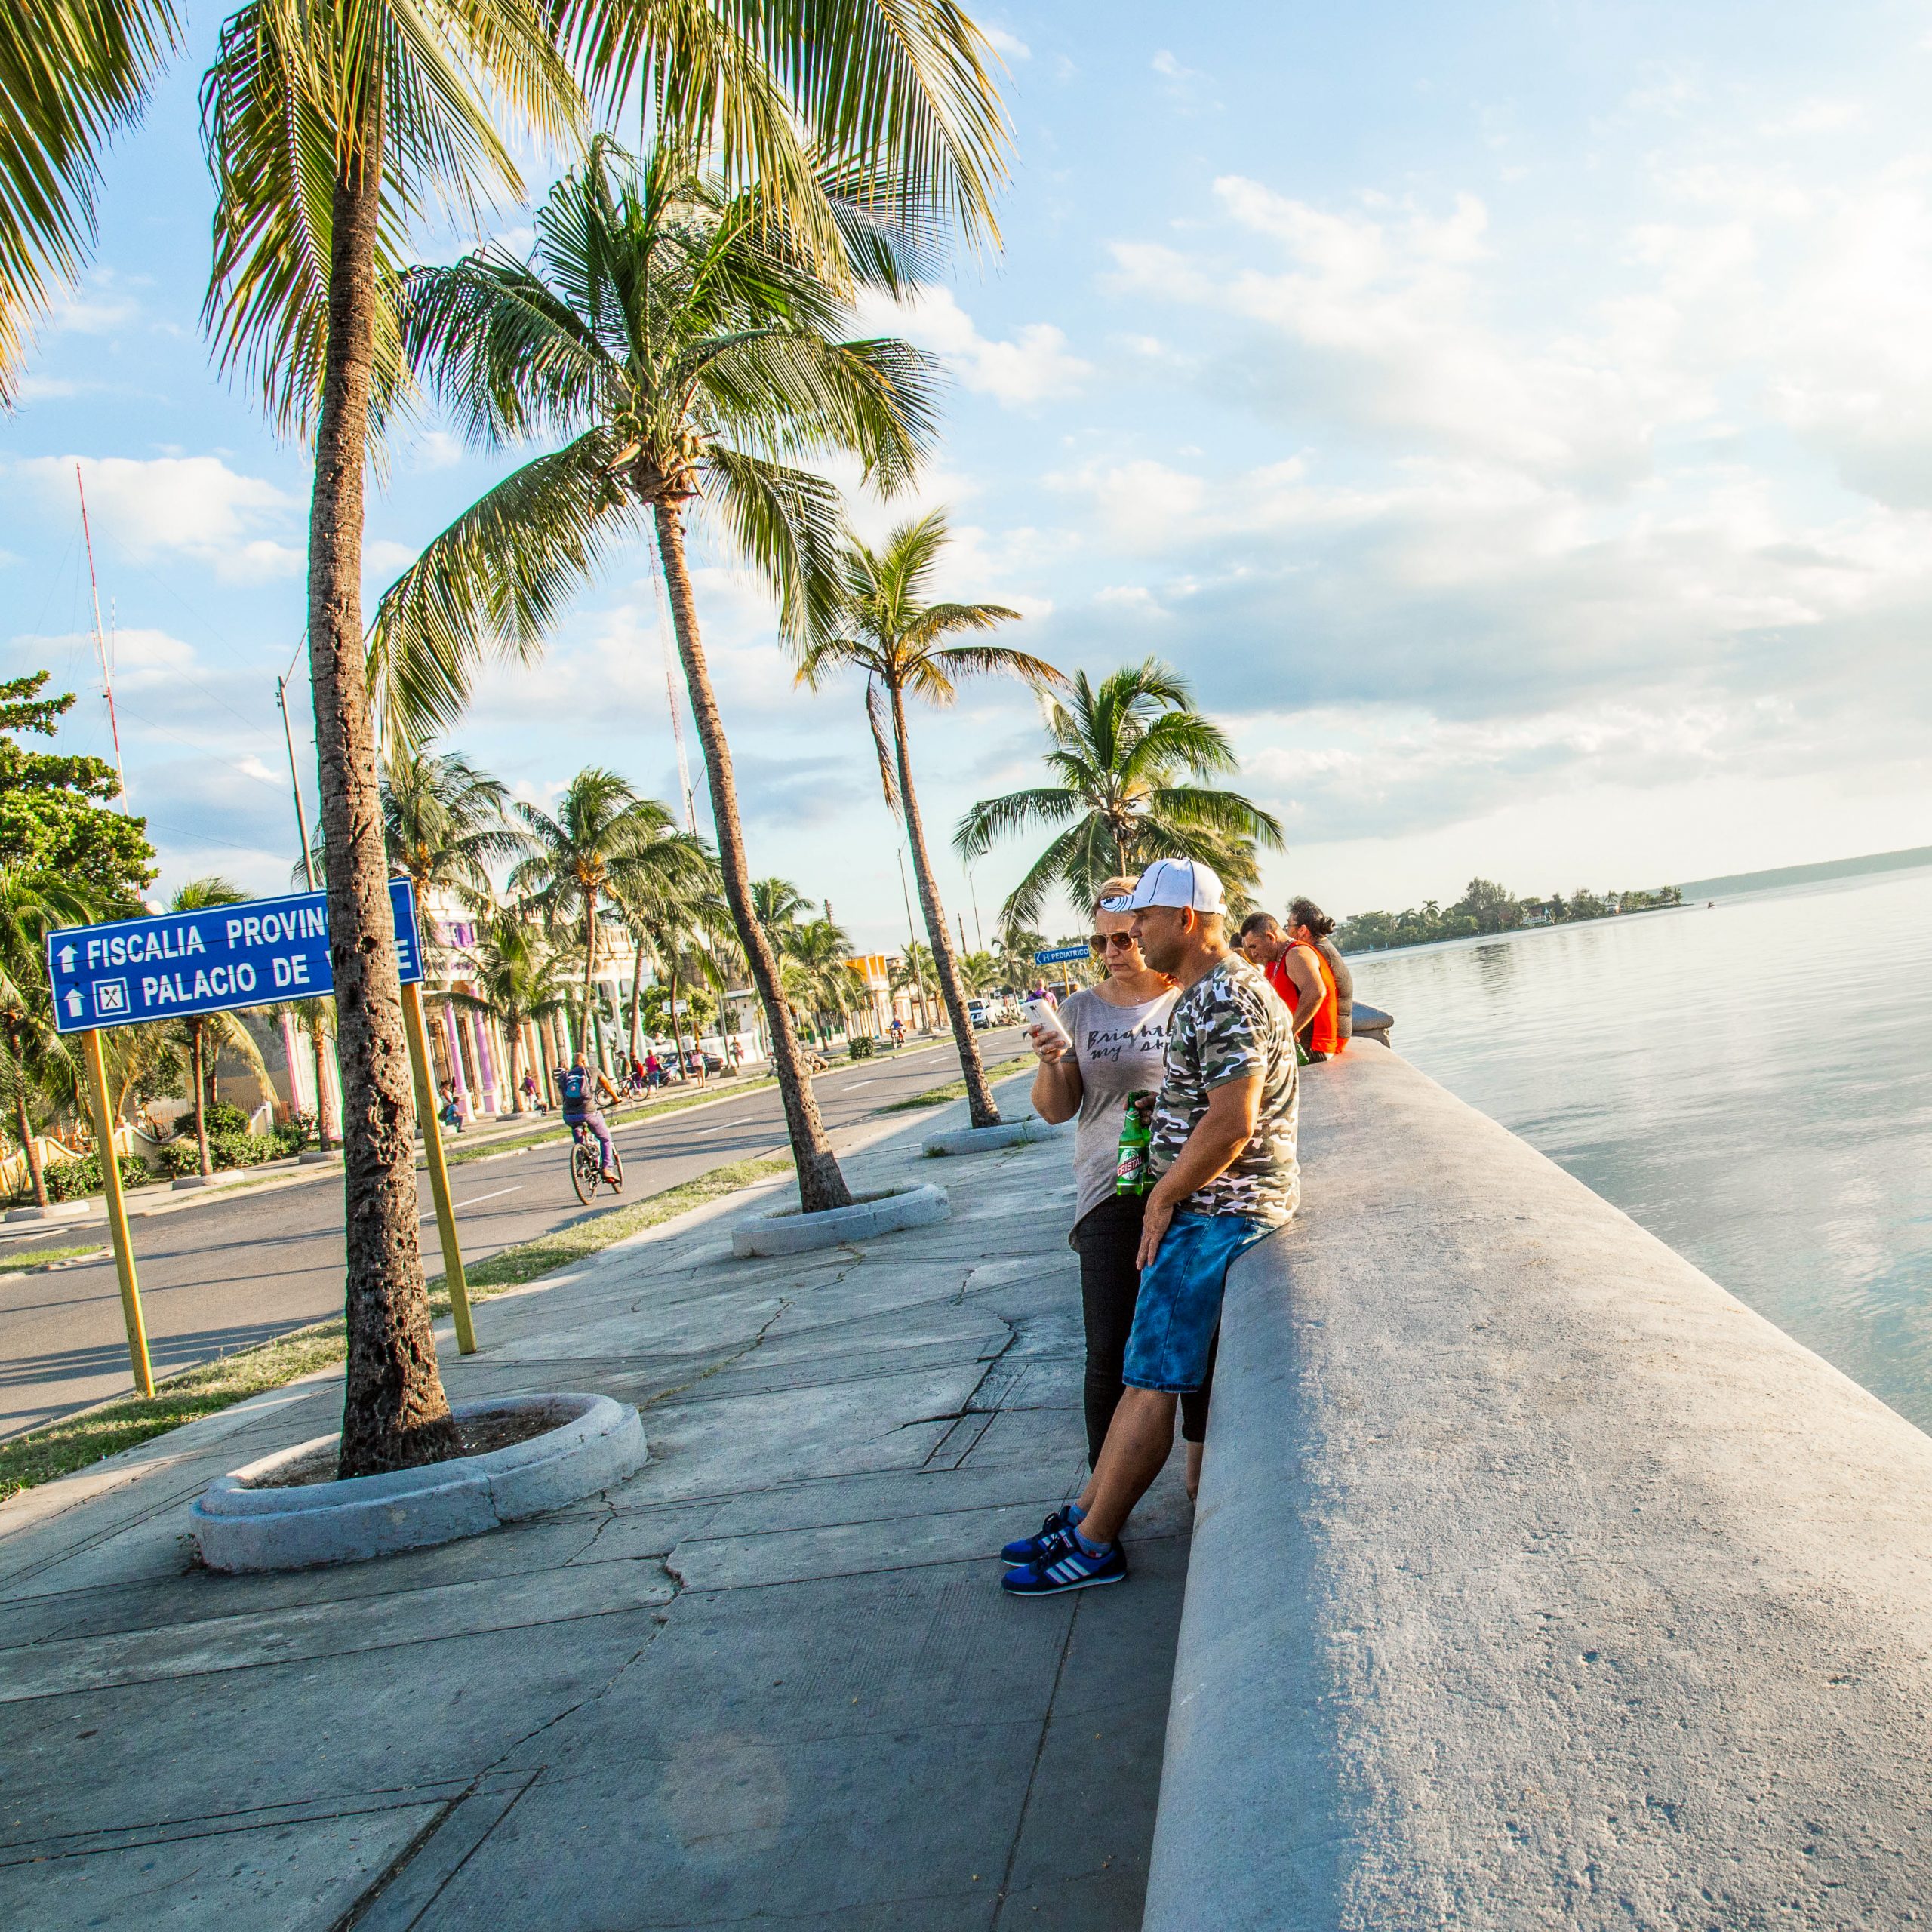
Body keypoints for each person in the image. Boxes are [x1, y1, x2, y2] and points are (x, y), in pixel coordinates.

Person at [1001, 857, 1297, 1596]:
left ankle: (1096, 1543)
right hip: (1196, 1205)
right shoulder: (1207, 992)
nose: (1130, 934)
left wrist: (1164, 1197)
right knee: (1136, 1372)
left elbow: (1233, 1121)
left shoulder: (1223, 996)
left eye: (1144, 921)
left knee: (1151, 1376)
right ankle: (1086, 1515)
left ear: (1185, 920)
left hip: (1220, 1212)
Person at [1027, 878, 1199, 1484]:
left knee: (1193, 1342)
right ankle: (1101, 1496)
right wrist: (1053, 1061)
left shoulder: (1186, 999)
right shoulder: (1078, 1010)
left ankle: (1200, 1480)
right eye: (1100, 941)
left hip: (1190, 1184)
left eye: (1124, 937)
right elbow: (1057, 1108)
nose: (1113, 952)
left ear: (1151, 928)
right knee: (1107, 1351)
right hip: (1109, 1190)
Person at [1237, 911, 1329, 1058]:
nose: (1252, 953)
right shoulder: (1275, 962)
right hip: (1297, 1046)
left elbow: (1316, 992)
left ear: (1270, 937)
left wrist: (1289, 1033)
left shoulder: (1296, 954)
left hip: (1312, 1049)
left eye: (1254, 946)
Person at [1290, 897, 1352, 1049]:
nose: (1286, 931)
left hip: (1331, 1038)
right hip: (1337, 1032)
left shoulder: (1314, 953)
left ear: (1302, 930)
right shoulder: (1322, 947)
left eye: (1288, 925)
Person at [553, 1050, 621, 1185]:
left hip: (569, 1115)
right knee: (605, 1138)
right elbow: (606, 1085)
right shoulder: (592, 1070)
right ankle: (607, 1169)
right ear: (584, 1061)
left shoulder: (564, 1076)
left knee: (577, 1132)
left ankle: (582, 1163)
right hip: (588, 1112)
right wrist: (615, 1098)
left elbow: (564, 1097)